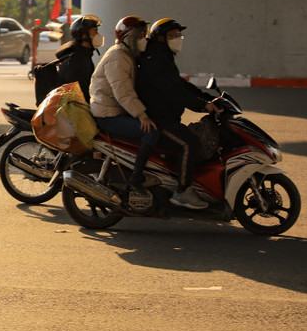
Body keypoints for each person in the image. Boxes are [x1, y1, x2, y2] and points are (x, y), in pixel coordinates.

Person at [138, 18, 221, 209]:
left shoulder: (163, 57)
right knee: (190, 143)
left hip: (166, 117)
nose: (178, 39)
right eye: (172, 36)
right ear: (159, 39)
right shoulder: (155, 60)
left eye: (179, 35)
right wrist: (202, 106)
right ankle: (182, 191)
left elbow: (179, 84)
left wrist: (205, 98)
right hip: (158, 119)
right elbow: (173, 92)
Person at [89, 15, 159, 189]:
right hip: (107, 115)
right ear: (128, 38)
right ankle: (136, 178)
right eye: (140, 36)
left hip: (115, 111)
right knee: (151, 132)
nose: (144, 39)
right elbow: (123, 92)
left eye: (145, 35)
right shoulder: (118, 56)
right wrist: (142, 115)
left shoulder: (127, 55)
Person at [56, 14, 102, 100]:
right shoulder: (77, 59)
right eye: (95, 31)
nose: (98, 35)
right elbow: (79, 92)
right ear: (84, 35)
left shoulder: (83, 55)